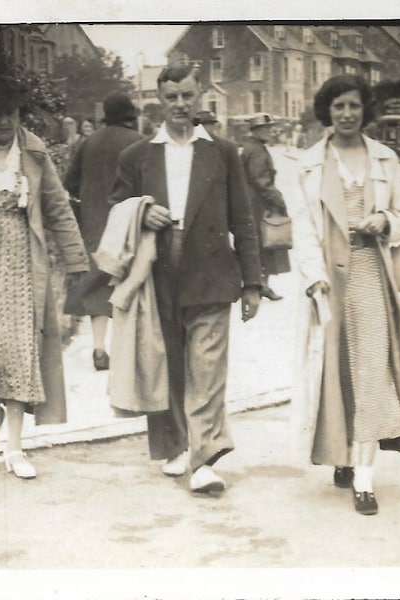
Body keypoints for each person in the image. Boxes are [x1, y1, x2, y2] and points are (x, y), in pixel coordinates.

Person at [110, 63, 262, 495]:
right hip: (157, 278)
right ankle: (176, 444)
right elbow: (116, 213)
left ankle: (206, 458)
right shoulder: (137, 156)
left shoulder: (223, 152)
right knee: (168, 367)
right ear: (159, 99)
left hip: (212, 276)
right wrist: (142, 209)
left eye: (188, 96)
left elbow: (244, 221)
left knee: (208, 370)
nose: (181, 105)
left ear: (199, 98)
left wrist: (252, 282)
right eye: (172, 97)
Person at [292, 74, 400, 515]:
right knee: (335, 373)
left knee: (371, 372)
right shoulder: (311, 163)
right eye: (338, 108)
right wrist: (314, 278)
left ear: (364, 110)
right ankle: (343, 453)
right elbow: (303, 229)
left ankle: (365, 478)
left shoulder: (385, 160)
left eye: (354, 106)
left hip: (372, 275)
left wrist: (386, 220)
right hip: (330, 283)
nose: (347, 114)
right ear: (327, 113)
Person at [0, 76, 89, 478]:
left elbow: (57, 207)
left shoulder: (32, 151)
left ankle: (15, 449)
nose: (5, 122)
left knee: (19, 349)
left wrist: (77, 264)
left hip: (22, 261)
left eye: (12, 114)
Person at [63, 91, 143, 370]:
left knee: (98, 283)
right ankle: (126, 351)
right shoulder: (138, 142)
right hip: (129, 224)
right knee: (129, 281)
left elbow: (70, 183)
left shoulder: (88, 142)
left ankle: (99, 347)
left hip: (95, 223)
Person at [241, 112, 291, 301]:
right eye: (267, 128)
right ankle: (262, 285)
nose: (271, 131)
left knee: (257, 243)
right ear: (257, 130)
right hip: (259, 204)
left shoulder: (251, 147)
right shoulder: (257, 151)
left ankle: (259, 284)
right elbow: (261, 181)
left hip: (253, 202)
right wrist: (277, 199)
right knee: (265, 244)